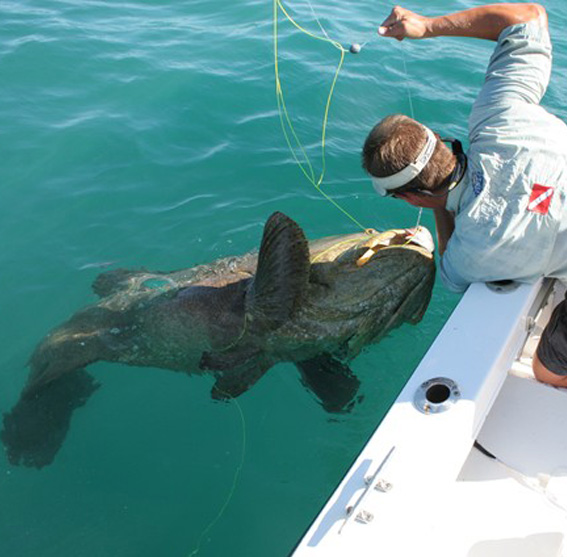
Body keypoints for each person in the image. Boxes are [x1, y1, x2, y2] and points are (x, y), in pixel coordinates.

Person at [361, 3, 567, 387]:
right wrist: (425, 26)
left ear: (412, 199)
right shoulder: (497, 112)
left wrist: (441, 207)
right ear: (437, 138)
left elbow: (452, 273)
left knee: (548, 370)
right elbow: (529, 16)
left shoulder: (475, 248)